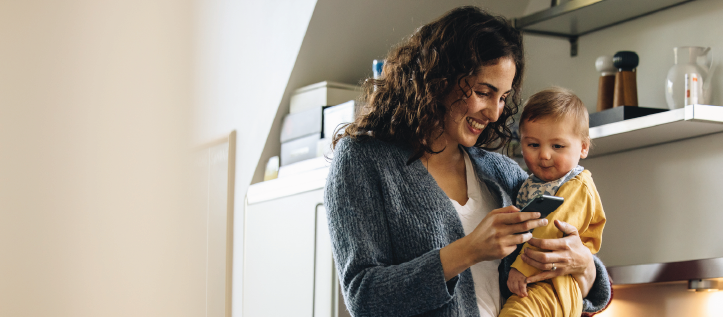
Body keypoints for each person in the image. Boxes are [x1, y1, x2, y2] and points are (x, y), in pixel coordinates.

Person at [324, 6, 611, 317]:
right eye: (484, 92)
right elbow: (364, 297)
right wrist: (469, 249)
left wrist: (584, 265)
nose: (495, 112)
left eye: (502, 97)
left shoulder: (503, 173)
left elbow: (575, 279)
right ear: (439, 78)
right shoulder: (363, 160)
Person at [499, 88, 606, 317]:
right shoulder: (532, 182)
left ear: (583, 147)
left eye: (557, 146)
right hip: (543, 280)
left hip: (554, 283)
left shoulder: (577, 185)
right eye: (533, 145)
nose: (544, 155)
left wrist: (520, 268)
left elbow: (551, 231)